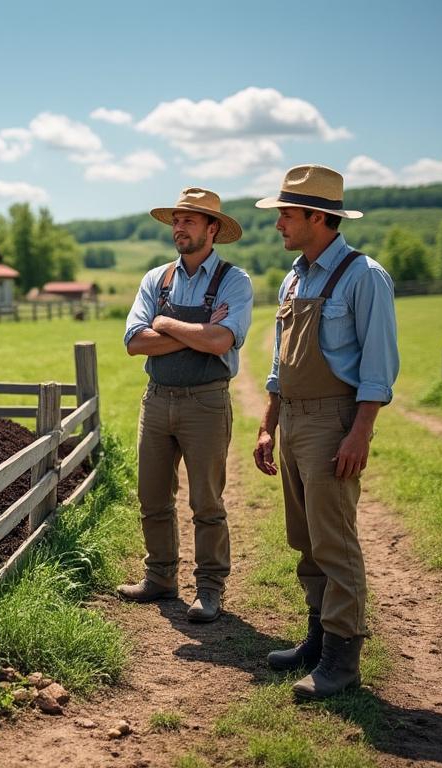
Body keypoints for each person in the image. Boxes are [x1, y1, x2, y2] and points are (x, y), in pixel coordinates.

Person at [252, 164, 399, 699]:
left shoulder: (365, 277)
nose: (279, 224)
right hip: (292, 419)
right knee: (306, 539)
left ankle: (342, 659)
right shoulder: (295, 276)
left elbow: (378, 369)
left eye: (287, 214)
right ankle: (316, 637)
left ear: (320, 216)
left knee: (334, 542)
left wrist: (359, 434)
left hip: (334, 422)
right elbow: (278, 362)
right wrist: (269, 424)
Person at [120, 187, 253, 623]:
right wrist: (196, 331)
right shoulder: (156, 278)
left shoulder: (235, 280)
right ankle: (160, 577)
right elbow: (135, 343)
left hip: (206, 403)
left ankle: (210, 589)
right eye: (176, 219)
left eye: (189, 220)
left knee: (207, 502)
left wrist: (166, 323)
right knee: (152, 496)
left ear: (212, 229)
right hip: (156, 400)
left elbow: (221, 341)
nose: (179, 227)